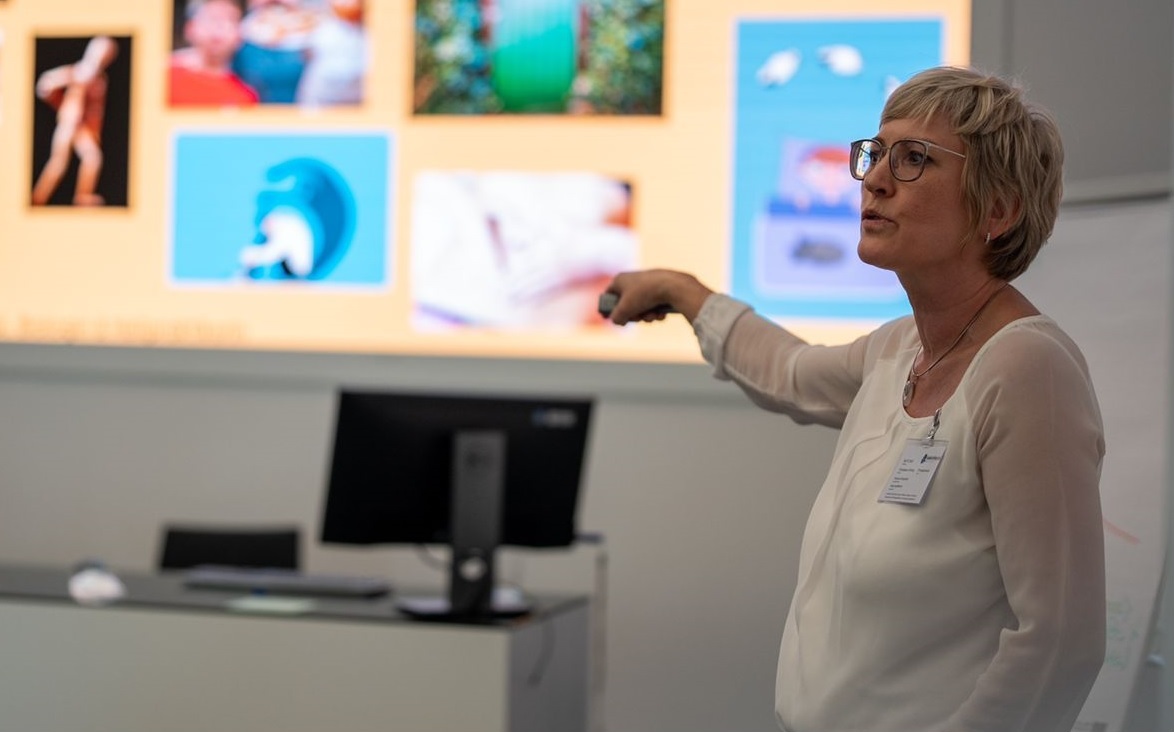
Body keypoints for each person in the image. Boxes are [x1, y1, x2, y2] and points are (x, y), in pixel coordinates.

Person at [602, 66, 1106, 732]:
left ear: (998, 210)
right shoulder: (900, 349)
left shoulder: (1026, 368)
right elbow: (789, 371)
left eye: (914, 159)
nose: (875, 180)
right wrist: (683, 292)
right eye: (876, 154)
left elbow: (1061, 644)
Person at [31, 36, 119, 206]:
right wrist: (62, 104)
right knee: (58, 164)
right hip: (69, 124)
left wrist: (93, 131)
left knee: (92, 158)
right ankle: (37, 199)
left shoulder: (100, 80)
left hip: (83, 127)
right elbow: (45, 86)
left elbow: (96, 111)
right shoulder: (78, 71)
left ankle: (83, 196)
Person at [170, 0, 259, 106]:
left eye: (229, 20)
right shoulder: (164, 77)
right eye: (211, 18)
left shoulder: (245, 96)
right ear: (190, 28)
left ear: (239, 35)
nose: (219, 27)